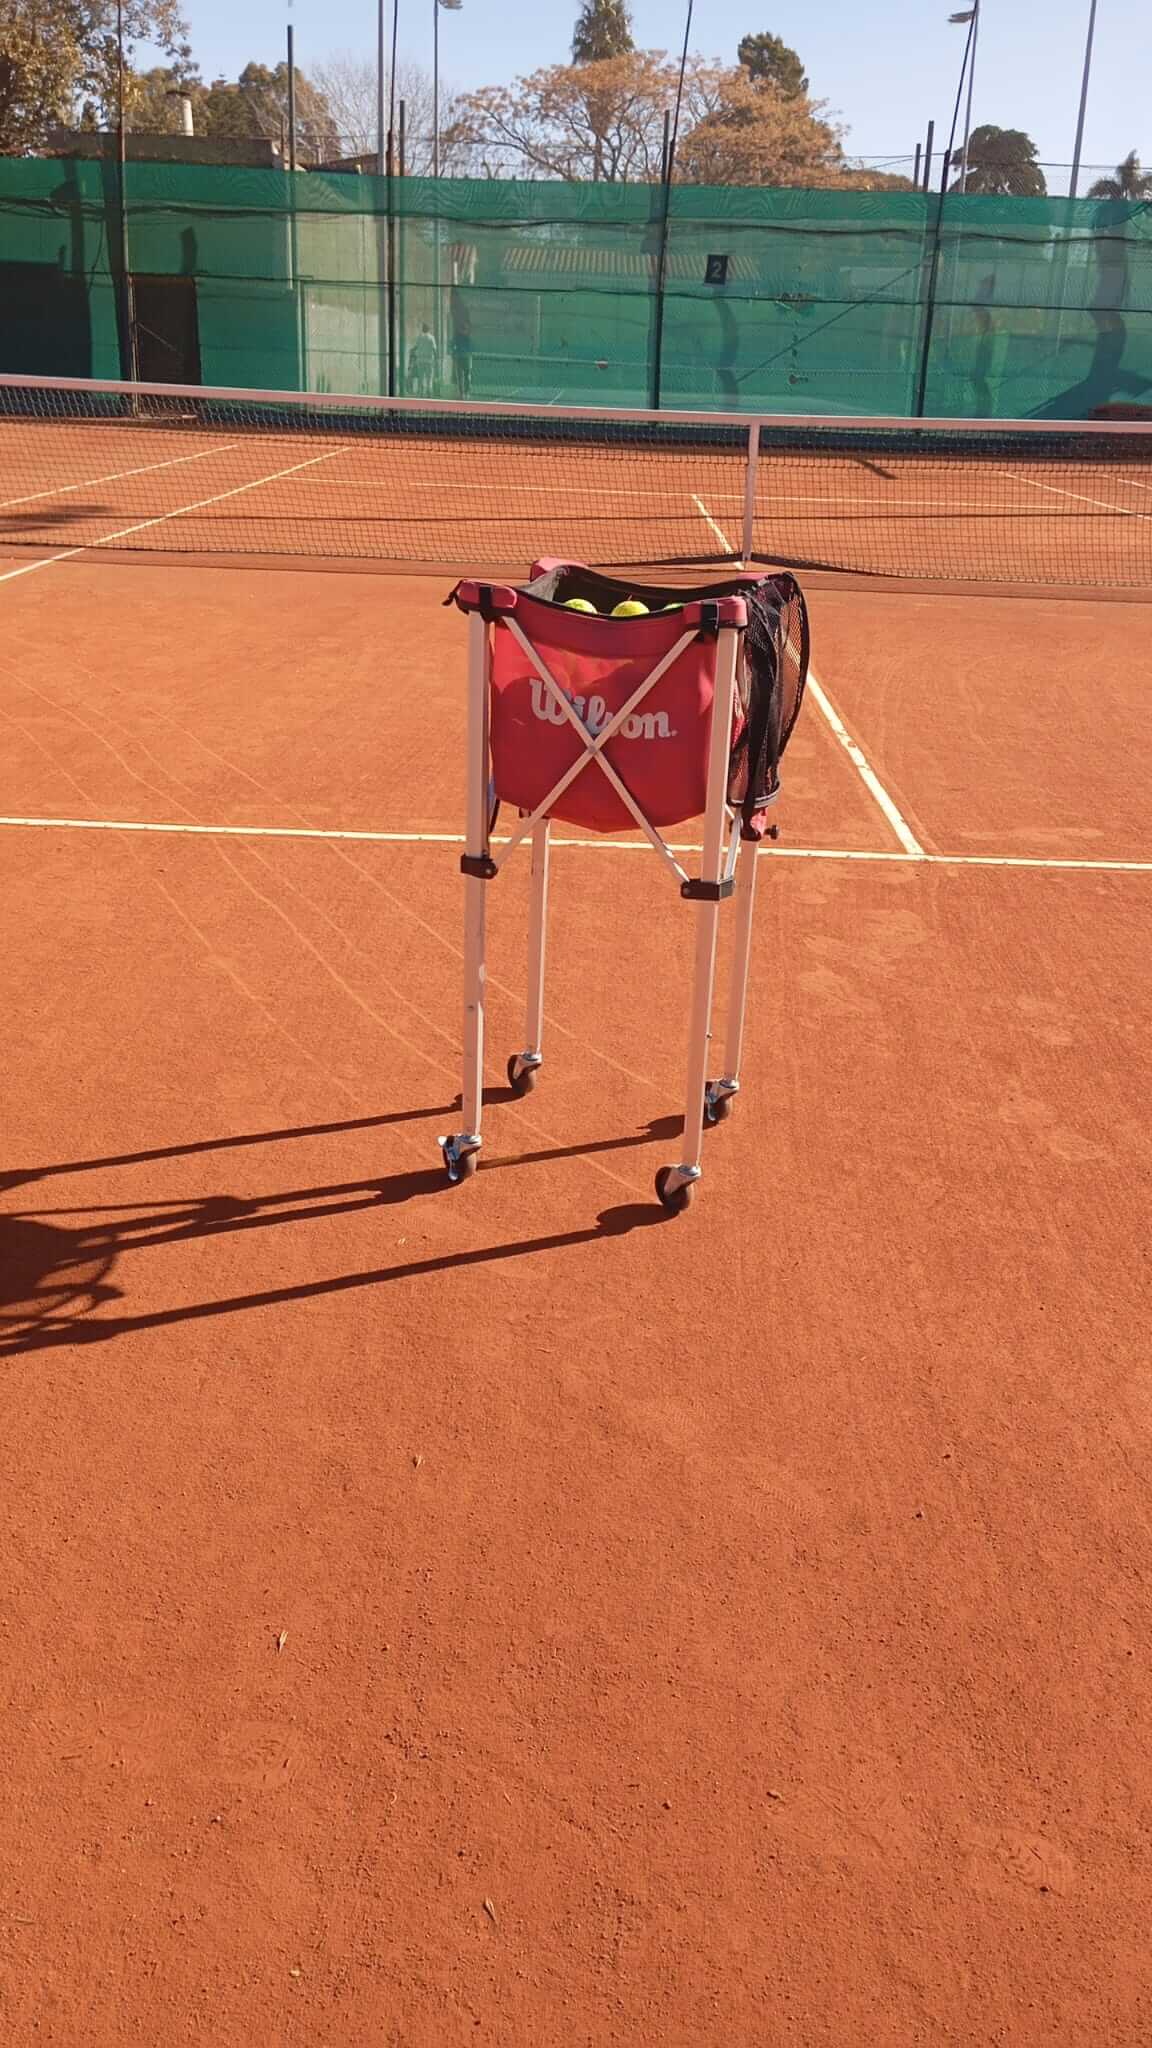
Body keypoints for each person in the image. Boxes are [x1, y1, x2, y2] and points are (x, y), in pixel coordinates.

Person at [407, 323, 438, 398]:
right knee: (429, 377)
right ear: (429, 329)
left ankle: (421, 392)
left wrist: (411, 350)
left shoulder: (419, 337)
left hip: (420, 360)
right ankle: (429, 393)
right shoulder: (431, 337)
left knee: (421, 377)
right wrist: (436, 358)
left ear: (422, 329)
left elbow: (416, 347)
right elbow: (434, 349)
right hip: (429, 360)